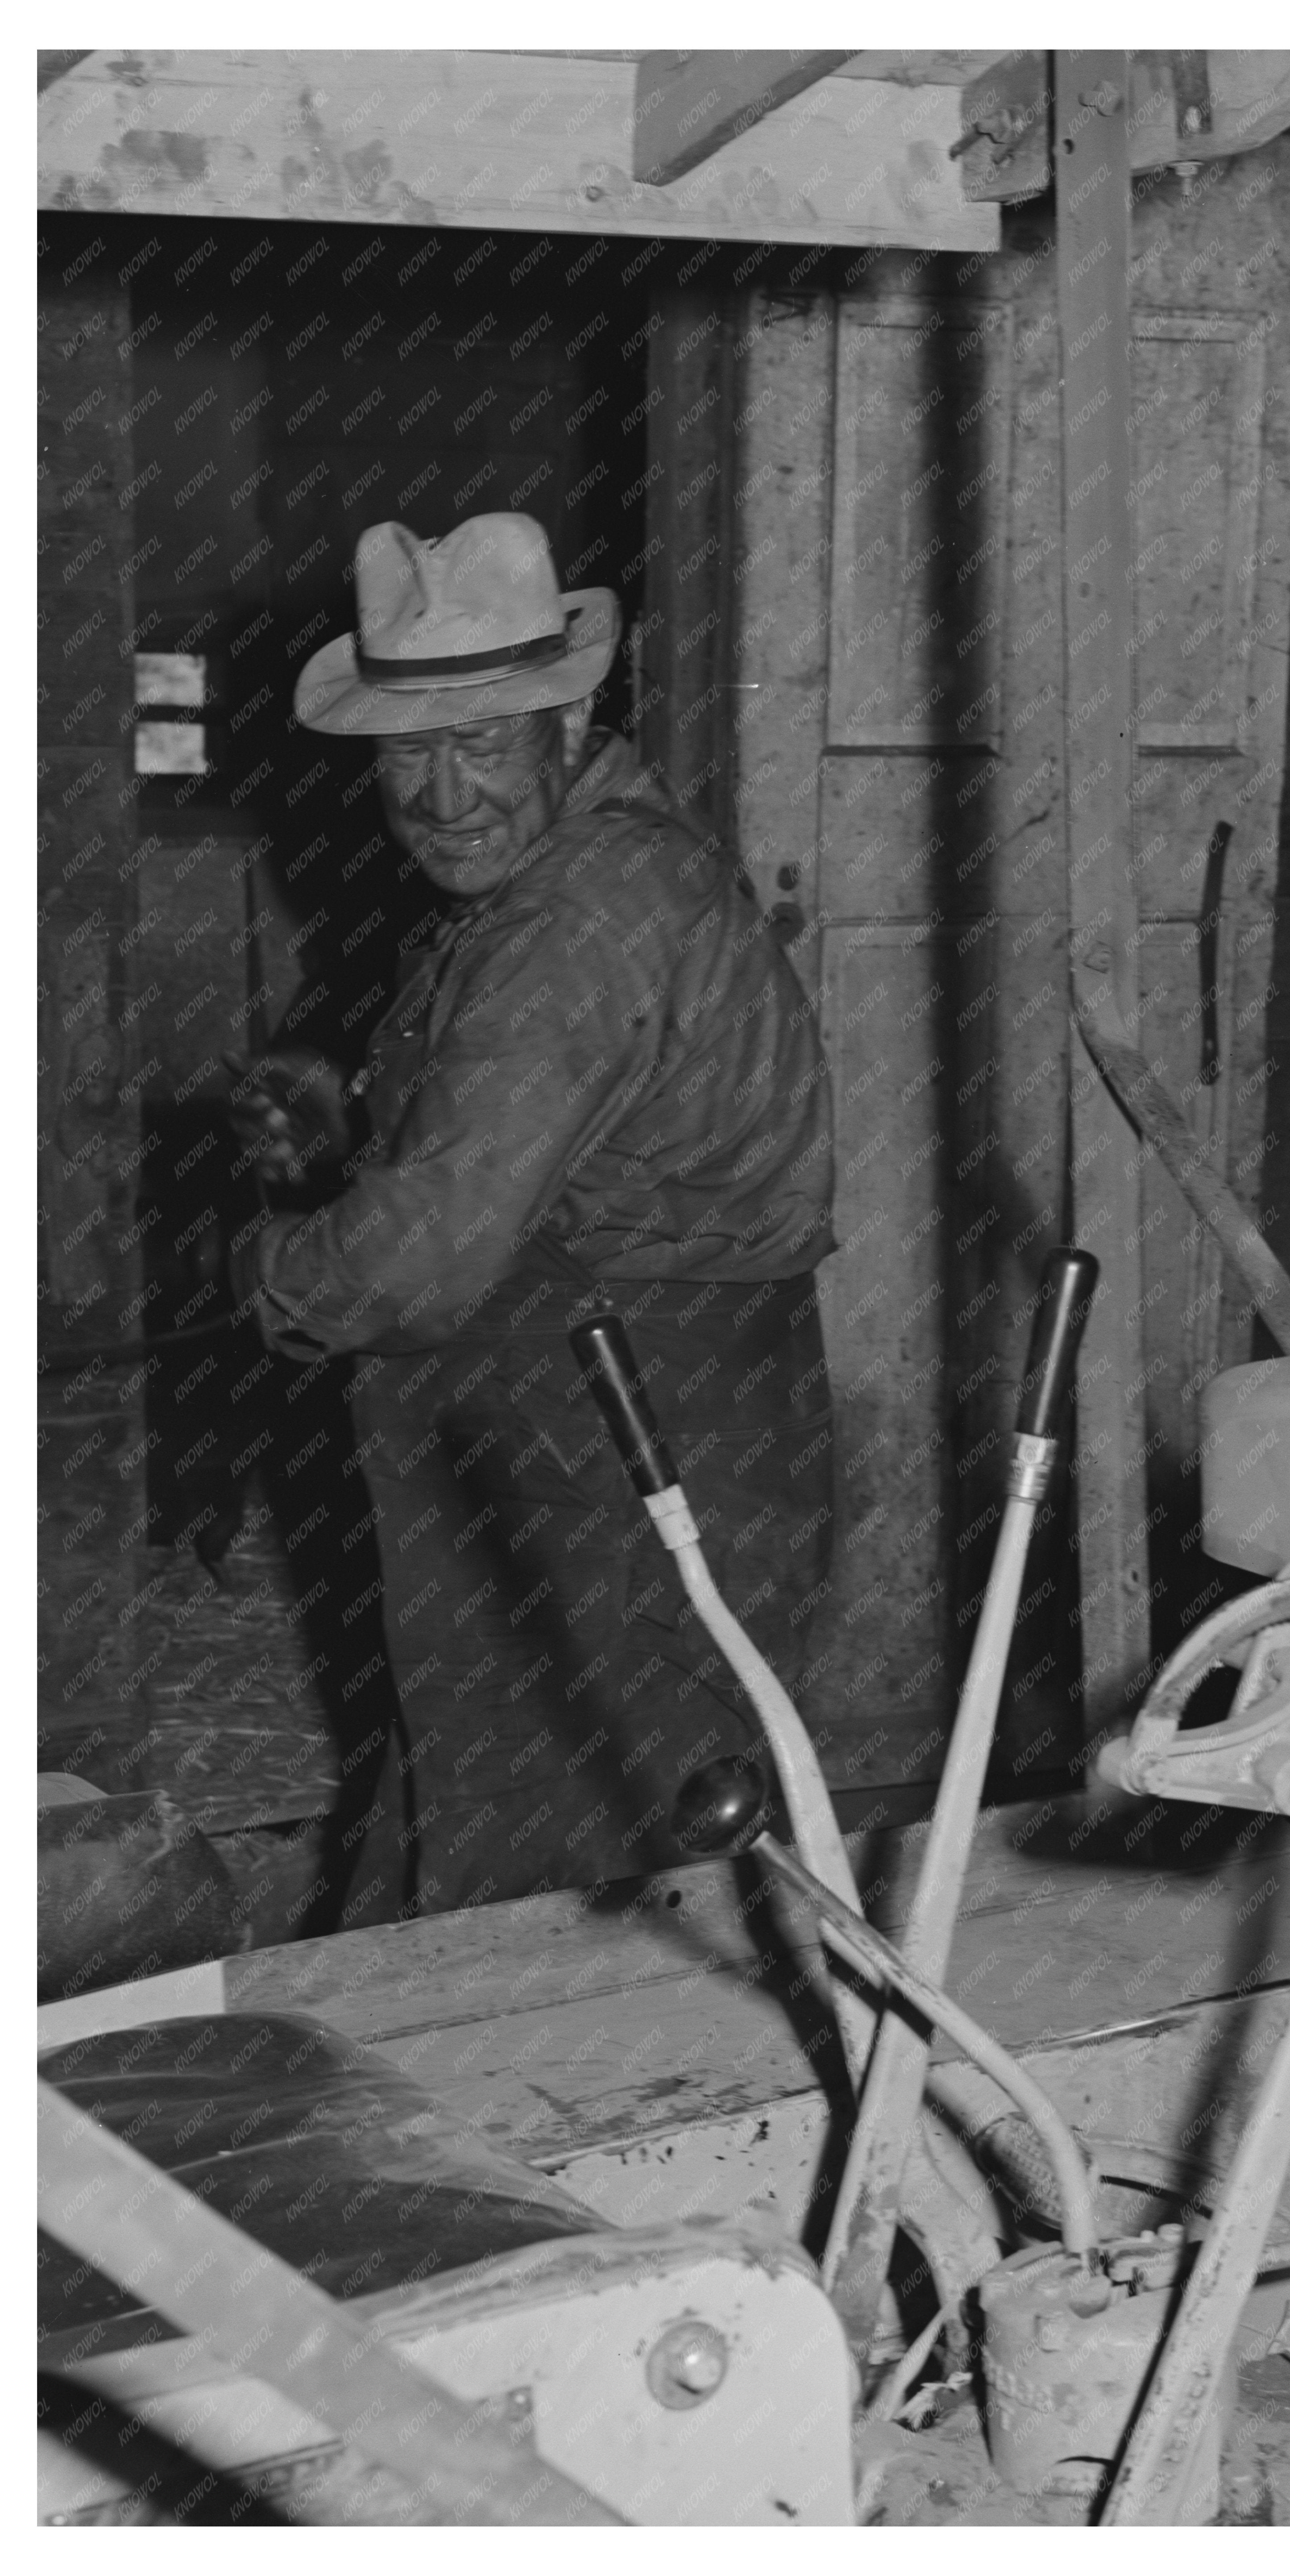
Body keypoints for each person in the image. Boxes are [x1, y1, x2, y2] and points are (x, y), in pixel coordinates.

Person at [229, 513, 835, 1915]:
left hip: (621, 1452)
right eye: (407, 749)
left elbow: (416, 1270)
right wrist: (347, 1110)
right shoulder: (557, 870)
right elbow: (523, 1116)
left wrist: (256, 1269)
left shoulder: (577, 921)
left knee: (592, 1886)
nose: (442, 793)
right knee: (488, 1811)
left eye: (482, 744)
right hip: (573, 1432)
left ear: (568, 722)